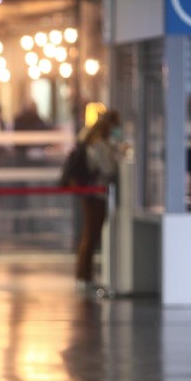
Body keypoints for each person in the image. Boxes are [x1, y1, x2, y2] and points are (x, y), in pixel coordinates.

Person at [75, 110, 122, 289]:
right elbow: (108, 169)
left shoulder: (92, 141)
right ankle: (84, 275)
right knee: (91, 234)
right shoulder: (99, 144)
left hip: (92, 193)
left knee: (89, 234)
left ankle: (84, 274)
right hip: (96, 194)